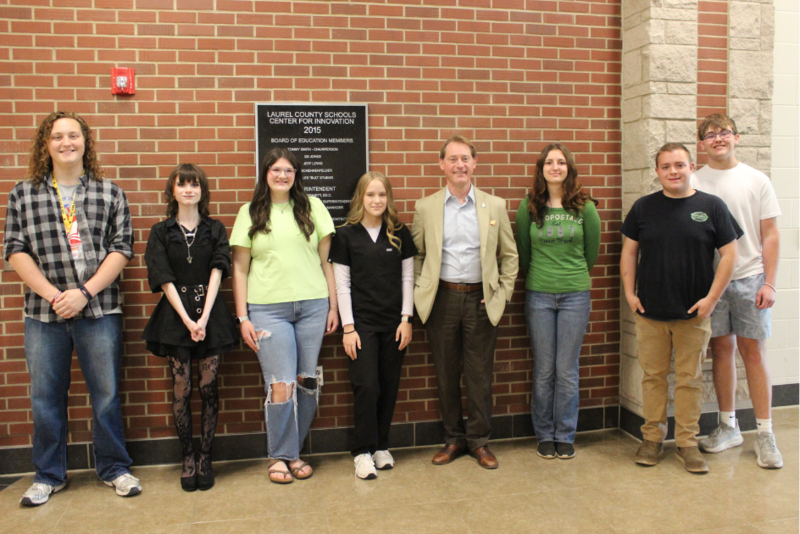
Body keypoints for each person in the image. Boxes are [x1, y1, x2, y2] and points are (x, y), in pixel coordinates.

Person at [3, 111, 141, 506]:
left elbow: (122, 249)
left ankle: (115, 469)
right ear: (45, 145)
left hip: (99, 310)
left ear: (86, 142)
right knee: (45, 397)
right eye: (57, 136)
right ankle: (48, 475)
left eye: (73, 136)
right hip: (43, 315)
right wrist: (54, 295)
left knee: (107, 394)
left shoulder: (109, 192)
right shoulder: (23, 193)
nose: (66, 143)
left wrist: (84, 292)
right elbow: (15, 250)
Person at [620, 143, 741, 474]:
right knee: (653, 378)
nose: (673, 171)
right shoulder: (643, 208)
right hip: (650, 313)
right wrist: (630, 294)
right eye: (666, 166)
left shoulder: (711, 206)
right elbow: (629, 252)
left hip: (694, 314)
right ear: (657, 172)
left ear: (691, 167)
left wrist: (712, 299)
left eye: (679, 165)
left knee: (689, 380)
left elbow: (730, 255)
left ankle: (687, 443)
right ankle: (652, 439)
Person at [230, 147, 338, 484]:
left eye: (288, 170)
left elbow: (326, 263)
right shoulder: (249, 213)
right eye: (275, 169)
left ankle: (290, 452)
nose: (282, 175)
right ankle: (281, 455)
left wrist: (334, 306)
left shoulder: (313, 207)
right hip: (267, 310)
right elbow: (240, 269)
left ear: (296, 175)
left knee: (306, 381)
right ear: (265, 173)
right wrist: (242, 317)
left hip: (313, 305)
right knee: (281, 385)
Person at [412, 135, 519, 469]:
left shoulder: (495, 205)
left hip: (481, 300)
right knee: (445, 373)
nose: (459, 165)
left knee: (479, 375)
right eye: (452, 159)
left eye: (465, 159)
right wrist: (421, 290)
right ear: (441, 164)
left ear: (475, 164)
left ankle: (479, 442)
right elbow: (417, 254)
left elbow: (510, 256)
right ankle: (453, 439)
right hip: (442, 299)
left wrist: (500, 294)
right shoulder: (426, 207)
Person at [693, 114, 784, 469]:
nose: (718, 139)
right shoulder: (694, 181)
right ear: (701, 143)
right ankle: (727, 427)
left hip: (751, 279)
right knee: (721, 351)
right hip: (711, 284)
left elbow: (771, 234)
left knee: (754, 354)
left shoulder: (756, 180)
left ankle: (765, 434)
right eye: (710, 135)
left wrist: (770, 282)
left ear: (737, 138)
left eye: (724, 133)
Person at [142, 164, 238, 491]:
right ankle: (187, 458)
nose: (188, 190)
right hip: (175, 316)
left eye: (194, 184)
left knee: (208, 387)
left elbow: (218, 270)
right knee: (181, 388)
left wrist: (204, 317)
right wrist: (187, 319)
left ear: (202, 190)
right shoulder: (160, 231)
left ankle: (205, 457)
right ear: (173, 190)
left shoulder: (215, 228)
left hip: (211, 314)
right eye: (182, 184)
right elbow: (163, 277)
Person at [329, 171, 418, 479]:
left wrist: (407, 319)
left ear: (388, 198)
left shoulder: (399, 232)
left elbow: (409, 278)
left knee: (389, 386)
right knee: (367, 386)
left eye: (382, 195)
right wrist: (348, 328)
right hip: (361, 325)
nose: (377, 200)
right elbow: (342, 285)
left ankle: (381, 446)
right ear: (360, 198)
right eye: (370, 195)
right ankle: (362, 452)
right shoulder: (345, 235)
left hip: (395, 323)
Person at [515, 143, 601, 460]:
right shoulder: (529, 207)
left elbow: (591, 253)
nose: (555, 167)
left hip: (575, 295)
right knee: (544, 370)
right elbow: (524, 254)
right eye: (549, 162)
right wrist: (545, 278)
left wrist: (569, 277)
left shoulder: (585, 208)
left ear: (569, 169)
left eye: (561, 162)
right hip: (538, 294)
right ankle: (544, 434)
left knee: (566, 370)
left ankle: (564, 434)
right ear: (541, 169)